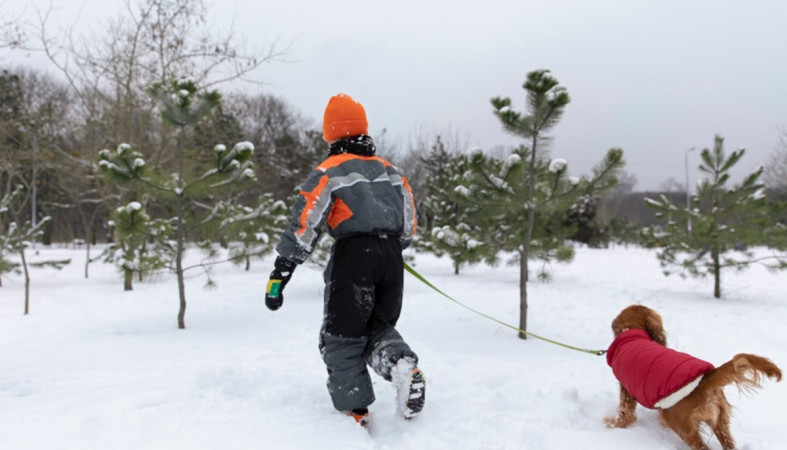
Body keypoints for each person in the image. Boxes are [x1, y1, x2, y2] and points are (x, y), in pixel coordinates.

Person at [264, 93, 425, 427]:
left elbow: (306, 222)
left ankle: (356, 410)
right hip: (391, 259)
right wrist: (389, 248)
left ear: (331, 134)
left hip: (354, 258)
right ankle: (400, 364)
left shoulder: (329, 171)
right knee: (378, 327)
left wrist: (281, 272)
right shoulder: (391, 171)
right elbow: (409, 222)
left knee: (342, 336)